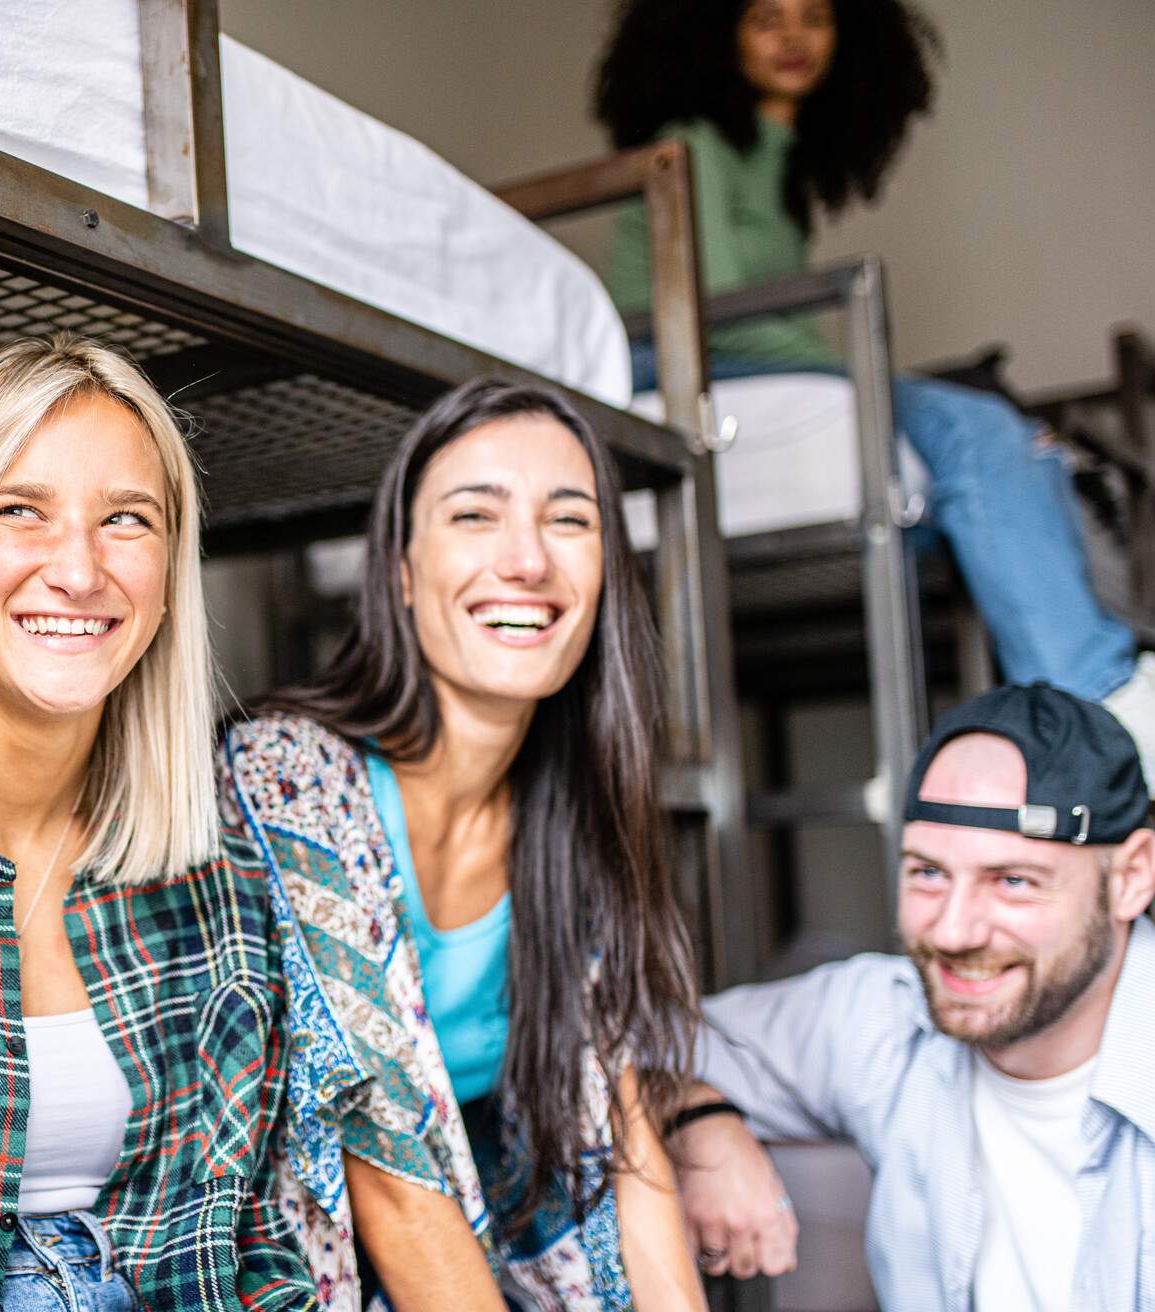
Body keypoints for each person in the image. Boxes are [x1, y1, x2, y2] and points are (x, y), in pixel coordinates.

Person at [0, 334, 316, 1312]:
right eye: (19, 511)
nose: (80, 571)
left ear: (171, 567)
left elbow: (249, 1238)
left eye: (126, 520)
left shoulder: (219, 865)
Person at [223, 381, 707, 1312]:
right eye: (474, 515)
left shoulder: (573, 811)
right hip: (277, 1270)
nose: (526, 560)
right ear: (401, 572)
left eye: (569, 521)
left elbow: (624, 1142)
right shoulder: (287, 775)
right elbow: (388, 1176)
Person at [595, 0, 1155, 791]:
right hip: (678, 358)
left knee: (997, 446)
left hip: (743, 355)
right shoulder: (693, 143)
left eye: (815, 17)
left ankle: (1102, 677)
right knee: (974, 425)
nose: (794, 37)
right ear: (714, 34)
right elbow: (711, 305)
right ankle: (1100, 701)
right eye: (764, 18)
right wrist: (865, 377)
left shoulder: (778, 169)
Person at [676, 683, 1155, 1310]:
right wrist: (693, 1115)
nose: (954, 932)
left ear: (1132, 878)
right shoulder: (885, 1018)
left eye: (1013, 881)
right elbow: (600, 1049)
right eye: (928, 873)